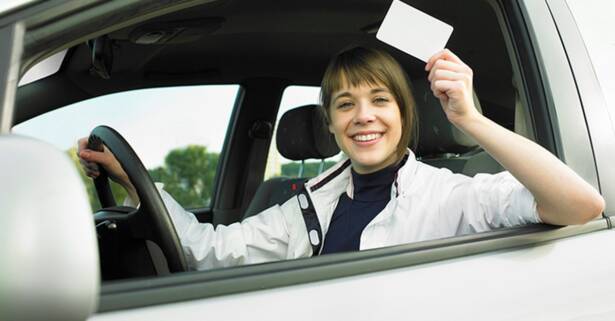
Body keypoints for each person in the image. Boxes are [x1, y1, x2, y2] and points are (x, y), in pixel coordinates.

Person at [78, 47, 605, 270]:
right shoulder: (306, 204)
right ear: (328, 123)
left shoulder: (451, 196)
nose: (363, 117)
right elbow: (209, 251)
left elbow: (581, 205)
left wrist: (470, 120)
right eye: (345, 104)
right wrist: (133, 179)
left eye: (380, 101)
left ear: (404, 113)